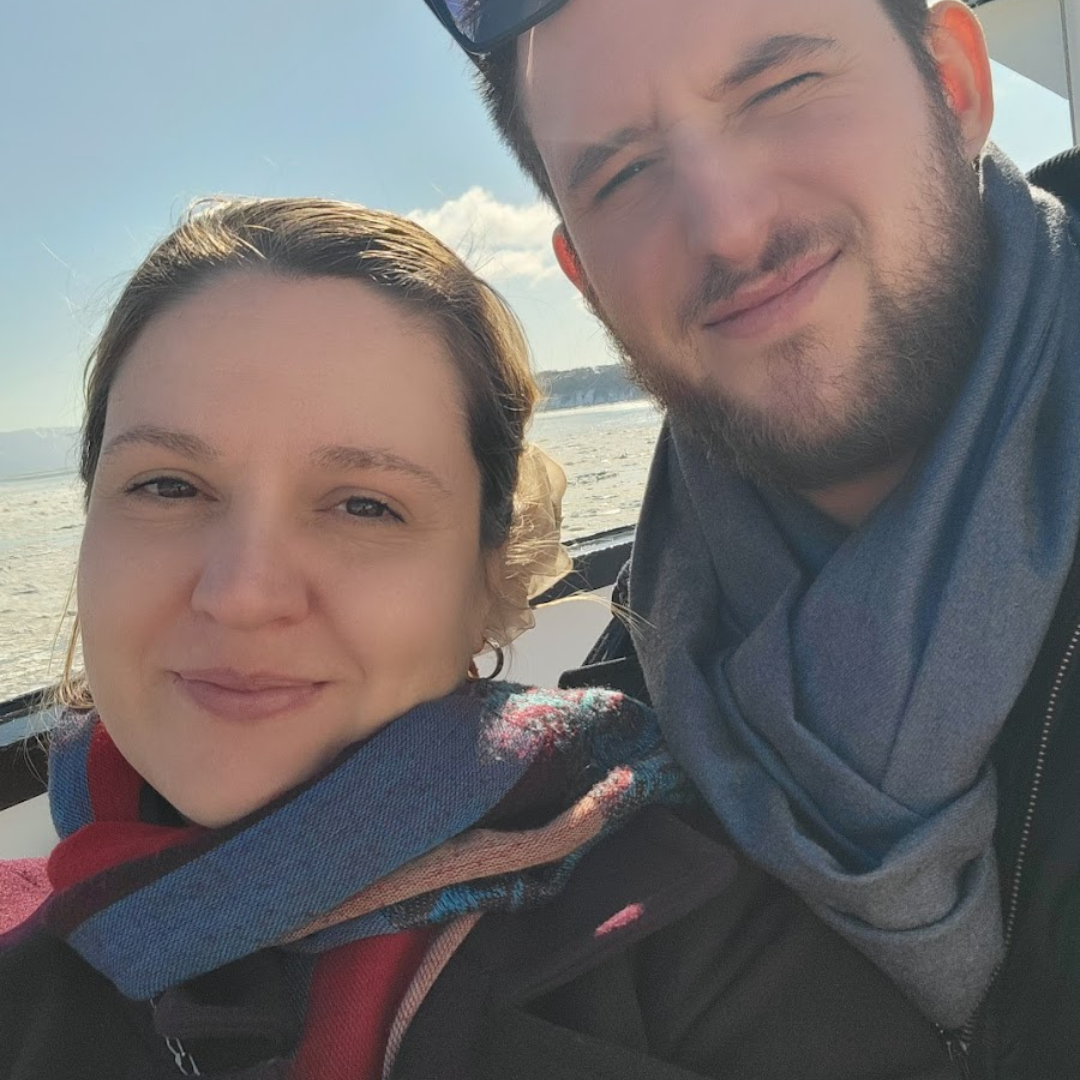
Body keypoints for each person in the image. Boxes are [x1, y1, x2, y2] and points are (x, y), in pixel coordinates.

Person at [0, 198, 956, 1079]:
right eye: (166, 485)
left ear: (488, 583)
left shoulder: (704, 956)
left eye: (365, 505)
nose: (242, 594)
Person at [420, 0, 1080, 1076]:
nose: (725, 226)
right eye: (623, 173)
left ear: (955, 85)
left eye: (782, 88)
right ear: (584, 276)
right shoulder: (610, 766)